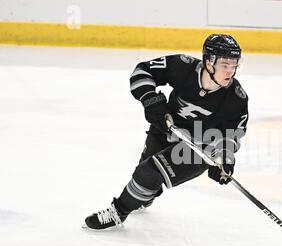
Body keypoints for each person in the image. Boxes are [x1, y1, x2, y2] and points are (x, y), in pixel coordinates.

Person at [83, 34, 249, 230]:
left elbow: (232, 133)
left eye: (234, 65)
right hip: (166, 128)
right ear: (208, 62)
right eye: (225, 65)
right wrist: (150, 99)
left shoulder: (236, 98)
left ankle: (117, 212)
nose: (230, 71)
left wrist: (224, 158)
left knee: (148, 173)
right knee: (144, 174)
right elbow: (142, 71)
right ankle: (145, 196)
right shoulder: (183, 66)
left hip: (197, 149)